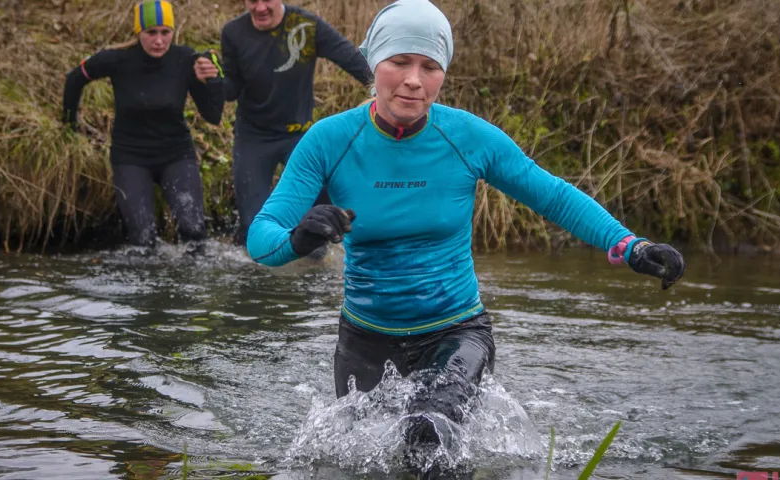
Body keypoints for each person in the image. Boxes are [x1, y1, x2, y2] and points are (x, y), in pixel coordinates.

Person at [246, 0, 685, 472]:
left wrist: (629, 245)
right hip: (365, 341)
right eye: (399, 62)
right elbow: (261, 239)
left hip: (456, 334)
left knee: (430, 433)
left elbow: (552, 196)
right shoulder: (330, 140)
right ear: (374, 62)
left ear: (442, 74)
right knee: (362, 465)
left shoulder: (468, 137)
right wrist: (301, 237)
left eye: (430, 67)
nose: (414, 79)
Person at [62, 0, 224, 249]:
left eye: (165, 33)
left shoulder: (185, 59)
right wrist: (69, 126)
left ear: (173, 32)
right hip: (131, 157)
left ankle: (192, 287)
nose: (159, 41)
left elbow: (213, 116)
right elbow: (74, 78)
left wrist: (212, 81)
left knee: (194, 233)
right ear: (139, 33)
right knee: (143, 240)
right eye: (151, 33)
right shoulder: (118, 59)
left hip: (176, 154)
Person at [219, 0, 374, 250]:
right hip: (253, 138)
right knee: (252, 225)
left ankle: (312, 270)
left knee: (321, 223)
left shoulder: (305, 25)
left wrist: (383, 87)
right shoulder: (234, 32)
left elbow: (349, 57)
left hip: (298, 135)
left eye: (266, 0)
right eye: (251, 1)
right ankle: (264, 278)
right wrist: (212, 81)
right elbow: (230, 90)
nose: (259, 8)